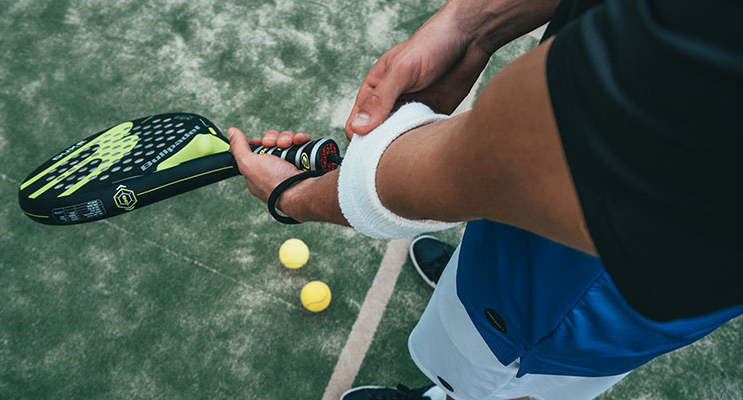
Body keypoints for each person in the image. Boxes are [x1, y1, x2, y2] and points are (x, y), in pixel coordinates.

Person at [226, 0, 743, 399]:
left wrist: (295, 196)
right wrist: (470, 25)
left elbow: (502, 166)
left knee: (505, 379)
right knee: (487, 274)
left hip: (589, 289)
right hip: (568, 213)